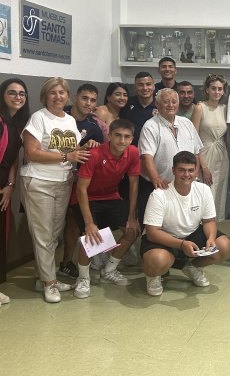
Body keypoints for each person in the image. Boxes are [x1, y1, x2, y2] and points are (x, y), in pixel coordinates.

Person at [20, 77, 91, 303]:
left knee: (52, 235)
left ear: (67, 96)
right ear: (45, 96)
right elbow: (31, 153)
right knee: (43, 235)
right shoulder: (39, 118)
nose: (58, 96)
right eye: (53, 93)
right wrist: (66, 156)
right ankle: (49, 283)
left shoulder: (70, 120)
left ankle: (43, 276)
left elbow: (72, 149)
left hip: (63, 182)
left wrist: (83, 148)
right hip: (38, 182)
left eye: (62, 92)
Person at [141, 151, 230, 296]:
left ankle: (191, 267)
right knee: (158, 260)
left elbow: (209, 221)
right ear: (173, 171)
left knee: (224, 246)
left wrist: (211, 238)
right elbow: (152, 233)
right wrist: (181, 244)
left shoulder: (203, 190)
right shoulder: (159, 195)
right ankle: (153, 276)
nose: (186, 174)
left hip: (192, 233)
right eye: (181, 170)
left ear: (196, 171)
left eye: (190, 170)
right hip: (164, 237)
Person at [71, 119, 141, 298]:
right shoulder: (94, 154)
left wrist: (132, 216)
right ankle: (83, 278)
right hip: (86, 197)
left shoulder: (133, 153)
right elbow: (81, 189)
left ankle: (109, 270)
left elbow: (134, 185)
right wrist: (89, 223)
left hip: (111, 196)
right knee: (92, 236)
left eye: (126, 137)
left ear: (132, 139)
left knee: (132, 231)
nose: (122, 141)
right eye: (117, 135)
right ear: (109, 136)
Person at [138, 88, 206, 225]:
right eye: (166, 102)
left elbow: (196, 153)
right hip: (159, 186)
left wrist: (195, 175)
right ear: (157, 104)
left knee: (185, 223)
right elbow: (147, 157)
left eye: (174, 102)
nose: (171, 105)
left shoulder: (186, 123)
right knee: (159, 224)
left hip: (185, 185)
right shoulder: (150, 126)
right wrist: (156, 178)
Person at [58, 84, 105, 280]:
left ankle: (67, 262)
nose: (88, 103)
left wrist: (95, 146)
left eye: (93, 100)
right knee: (50, 228)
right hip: (53, 175)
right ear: (75, 97)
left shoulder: (94, 127)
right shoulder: (60, 116)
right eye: (85, 98)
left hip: (78, 182)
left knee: (73, 223)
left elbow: (100, 156)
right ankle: (44, 271)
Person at [0, 78, 31, 306]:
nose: (18, 97)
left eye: (21, 93)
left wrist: (11, 187)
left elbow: (12, 162)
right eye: (12, 93)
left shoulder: (18, 125)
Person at [192, 74, 229, 219]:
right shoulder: (200, 107)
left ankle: (215, 229)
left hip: (222, 155)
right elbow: (193, 139)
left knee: (219, 193)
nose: (217, 92)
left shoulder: (225, 108)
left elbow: (225, 137)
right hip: (204, 155)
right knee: (204, 194)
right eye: (213, 88)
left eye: (220, 89)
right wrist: (203, 167)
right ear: (207, 89)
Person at [120, 71, 156, 147]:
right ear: (135, 88)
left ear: (154, 86)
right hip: (130, 150)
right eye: (140, 85)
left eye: (148, 84)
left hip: (155, 150)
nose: (145, 88)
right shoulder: (126, 103)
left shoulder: (161, 105)